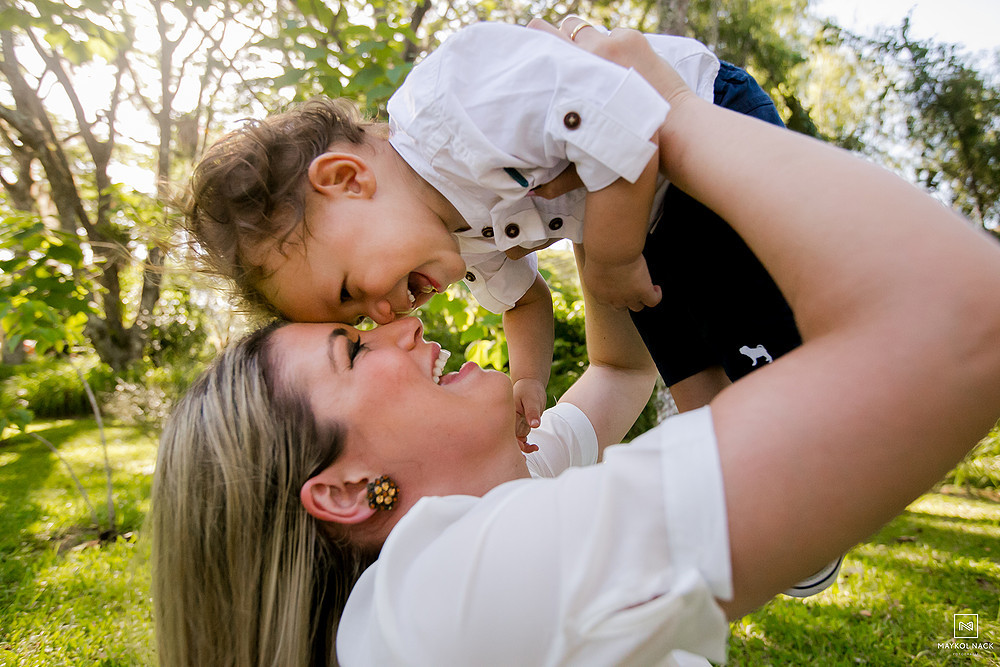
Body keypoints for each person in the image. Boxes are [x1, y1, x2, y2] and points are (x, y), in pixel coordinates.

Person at [152, 18, 1000, 667]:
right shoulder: (446, 600)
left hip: (677, 147)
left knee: (728, 330)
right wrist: (671, 118)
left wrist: (607, 216)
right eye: (355, 346)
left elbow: (617, 369)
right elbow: (961, 316)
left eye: (353, 320)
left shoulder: (467, 522)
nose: (396, 323)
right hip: (666, 149)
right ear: (343, 489)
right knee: (748, 348)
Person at [184, 20, 800, 450]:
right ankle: (756, 487)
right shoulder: (457, 240)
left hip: (699, 126)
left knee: (769, 350)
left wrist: (611, 259)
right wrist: (528, 379)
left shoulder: (454, 103)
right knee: (691, 374)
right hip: (643, 218)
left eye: (350, 291)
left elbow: (627, 112)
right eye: (361, 318)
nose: (385, 314)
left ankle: (819, 448)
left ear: (347, 179)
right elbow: (523, 300)